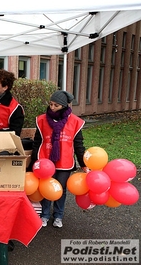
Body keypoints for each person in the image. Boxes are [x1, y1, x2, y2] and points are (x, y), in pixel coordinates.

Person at [31, 90, 89, 228]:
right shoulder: (42, 120)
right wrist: (34, 163)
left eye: (56, 105)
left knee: (60, 189)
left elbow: (78, 145)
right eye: (50, 104)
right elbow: (37, 142)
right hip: (45, 161)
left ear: (63, 106)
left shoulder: (75, 122)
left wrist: (84, 164)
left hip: (65, 161)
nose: (52, 107)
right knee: (45, 188)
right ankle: (44, 215)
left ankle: (58, 215)